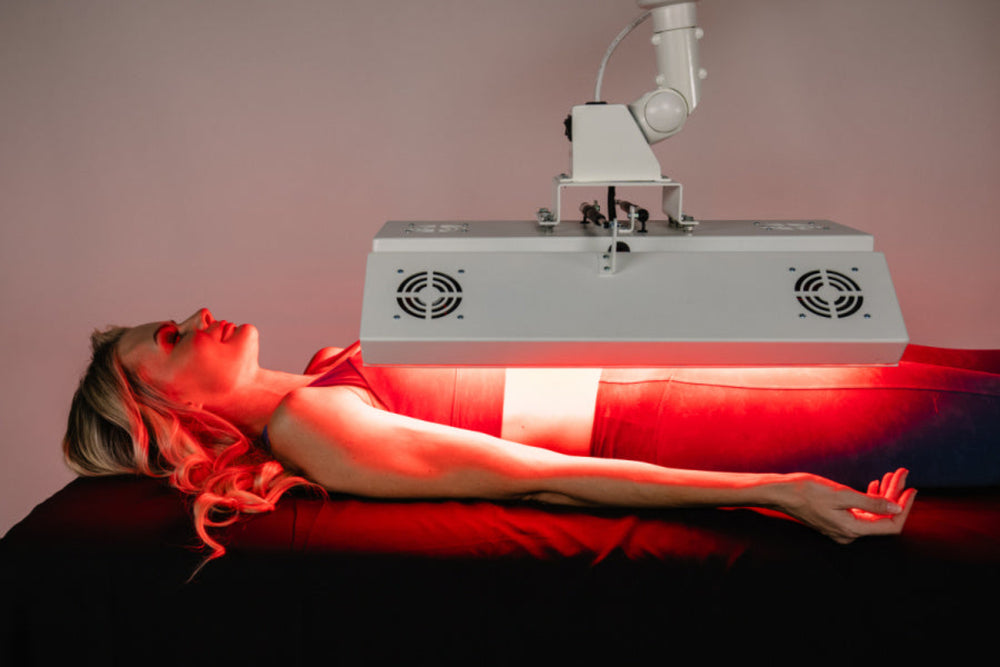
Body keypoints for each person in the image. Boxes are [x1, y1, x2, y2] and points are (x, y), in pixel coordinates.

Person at [65, 308, 925, 563]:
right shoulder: (315, 426)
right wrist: (781, 489)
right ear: (171, 415)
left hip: (673, 371)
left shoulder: (320, 373)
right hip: (680, 405)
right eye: (170, 340)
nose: (197, 314)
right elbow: (541, 478)